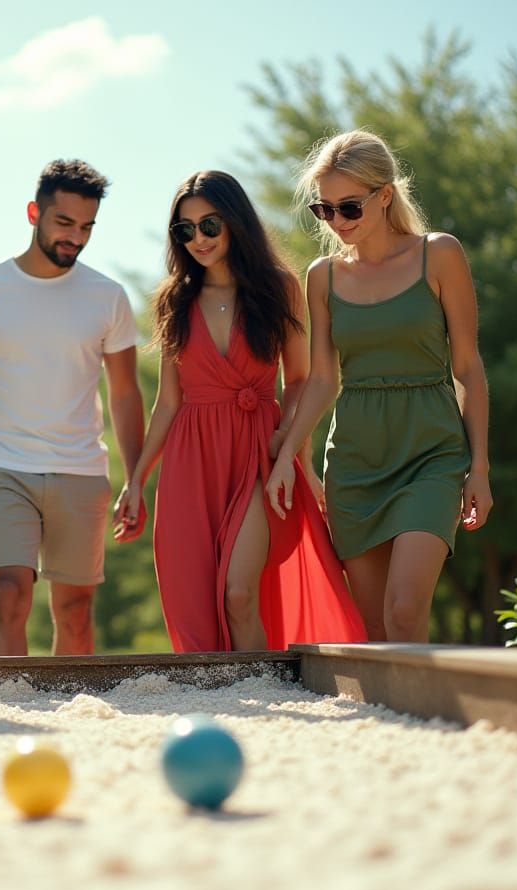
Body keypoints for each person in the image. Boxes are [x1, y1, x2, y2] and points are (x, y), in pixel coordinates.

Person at [114, 170, 365, 652]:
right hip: (190, 462)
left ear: (235, 221)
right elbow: (168, 402)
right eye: (185, 230)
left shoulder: (280, 288)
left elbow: (300, 381)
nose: (199, 239)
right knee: (195, 605)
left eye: (209, 225)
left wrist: (296, 458)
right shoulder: (174, 300)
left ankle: (262, 686)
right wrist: (136, 480)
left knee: (239, 592)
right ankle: (230, 693)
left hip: (258, 453)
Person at [267, 129, 493, 642]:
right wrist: (289, 458)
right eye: (324, 210)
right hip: (355, 462)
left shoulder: (439, 254)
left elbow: (467, 367)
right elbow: (322, 380)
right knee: (372, 631)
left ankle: (427, 699)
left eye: (349, 207)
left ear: (385, 194)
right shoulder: (323, 276)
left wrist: (478, 465)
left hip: (432, 453)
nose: (337, 221)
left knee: (405, 611)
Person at [0, 159, 144, 656]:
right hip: (5, 465)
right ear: (33, 213)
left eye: (86, 227)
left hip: (81, 469)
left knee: (76, 611)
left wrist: (135, 478)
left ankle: (73, 707)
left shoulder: (108, 296)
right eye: (64, 223)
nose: (76, 237)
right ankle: (6, 703)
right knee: (8, 595)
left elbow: (125, 393)